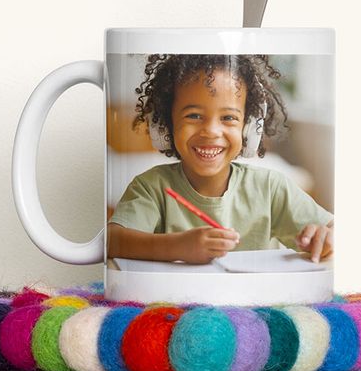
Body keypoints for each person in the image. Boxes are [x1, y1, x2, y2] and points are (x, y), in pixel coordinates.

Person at [107, 54, 334, 265]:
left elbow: (334, 230)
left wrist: (326, 238)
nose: (212, 131)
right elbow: (112, 240)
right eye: (194, 115)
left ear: (248, 128)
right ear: (166, 124)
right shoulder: (151, 187)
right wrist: (177, 247)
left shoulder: (271, 187)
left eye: (228, 117)